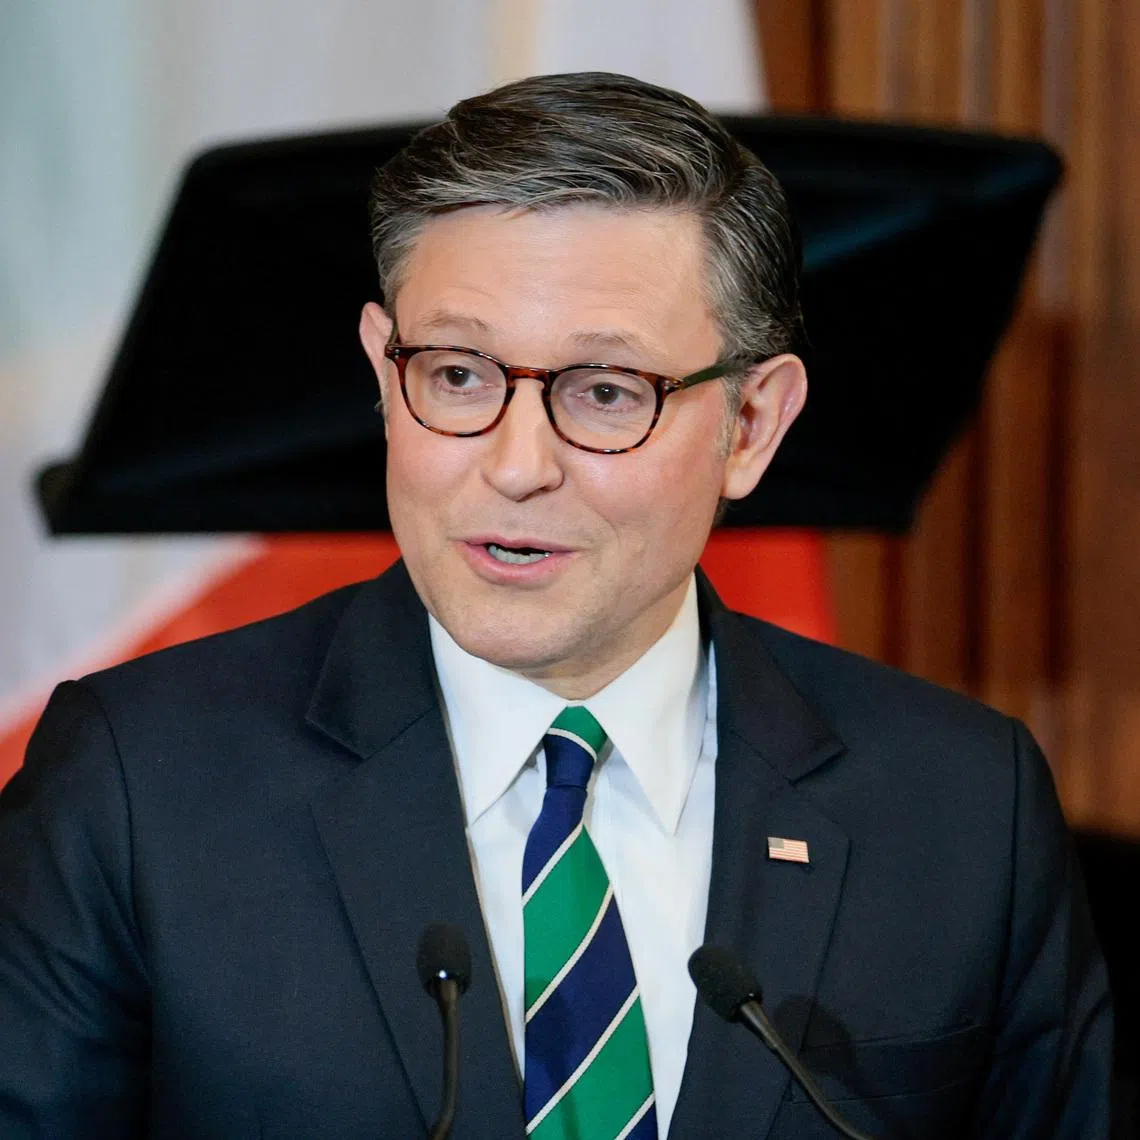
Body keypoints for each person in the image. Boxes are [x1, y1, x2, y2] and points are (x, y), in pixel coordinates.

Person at [0, 72, 1110, 1139]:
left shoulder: (964, 808)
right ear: (385, 376)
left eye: (606, 392)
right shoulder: (138, 783)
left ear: (754, 425)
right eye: (460, 375)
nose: (517, 465)